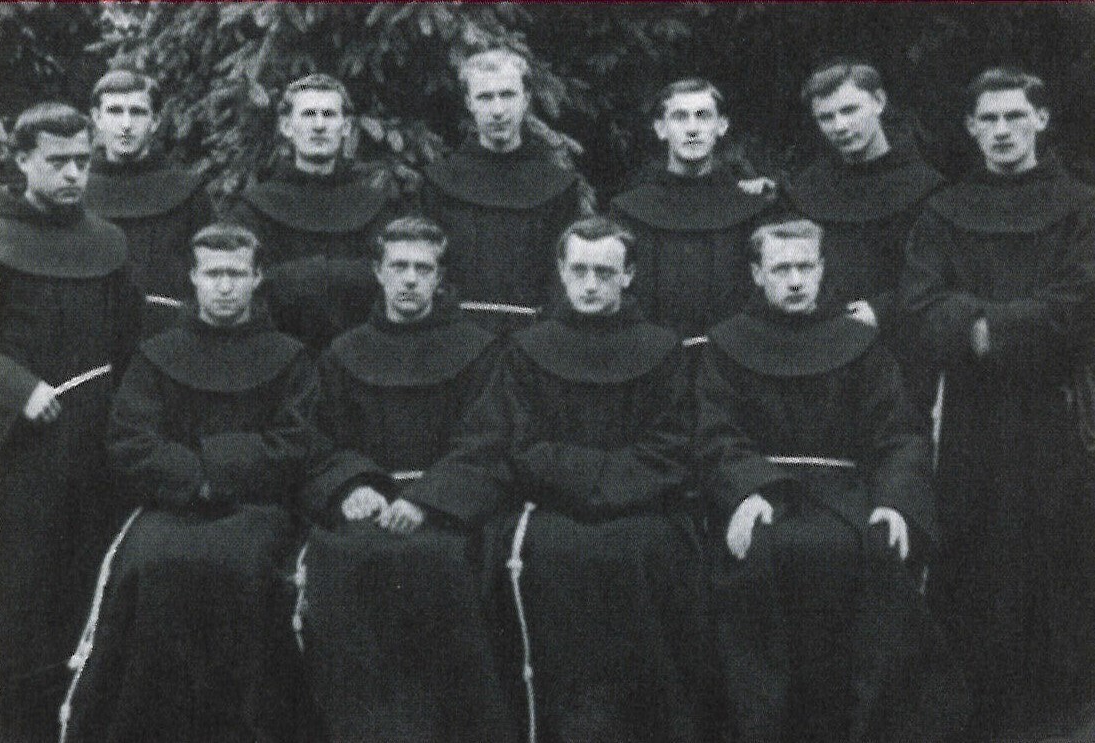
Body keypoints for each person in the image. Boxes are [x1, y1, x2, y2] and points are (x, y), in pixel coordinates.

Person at [414, 216, 717, 743]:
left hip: (642, 511)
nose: (591, 284)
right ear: (560, 271)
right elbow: (516, 441)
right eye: (579, 270)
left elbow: (672, 444)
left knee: (646, 556)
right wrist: (591, 486)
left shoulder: (663, 348)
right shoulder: (527, 348)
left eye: (605, 272)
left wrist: (601, 488)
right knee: (543, 556)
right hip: (549, 511)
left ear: (629, 276)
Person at [697, 217, 958, 743]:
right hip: (766, 498)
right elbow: (714, 433)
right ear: (757, 274)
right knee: (758, 558)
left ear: (821, 270)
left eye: (805, 267)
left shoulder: (859, 342)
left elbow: (901, 435)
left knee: (879, 553)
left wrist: (895, 502)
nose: (795, 281)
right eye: (780, 269)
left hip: (849, 499)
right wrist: (744, 492)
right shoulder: (727, 345)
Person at [60, 224, 319, 743]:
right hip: (170, 506)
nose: (225, 287)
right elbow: (131, 441)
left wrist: (214, 473)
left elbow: (297, 443)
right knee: (149, 565)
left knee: (241, 569)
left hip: (256, 509)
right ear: (194, 278)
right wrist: (196, 480)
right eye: (213, 274)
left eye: (236, 274)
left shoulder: (290, 357)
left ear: (257, 278)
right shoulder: (158, 354)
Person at [902, 67, 1095, 741]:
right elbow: (922, 302)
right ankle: (976, 709)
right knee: (973, 542)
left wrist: (989, 329)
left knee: (1058, 543)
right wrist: (977, 329)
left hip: (1056, 405)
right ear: (971, 128)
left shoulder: (1081, 206)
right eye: (989, 119)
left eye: (1015, 116)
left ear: (1041, 119)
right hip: (970, 412)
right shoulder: (944, 211)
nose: (1003, 130)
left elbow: (1081, 299)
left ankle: (1062, 710)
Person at [296, 216, 515, 742]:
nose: (411, 279)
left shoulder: (479, 350)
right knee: (343, 559)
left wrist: (426, 501)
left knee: (435, 561)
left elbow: (489, 443)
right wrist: (351, 486)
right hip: (365, 509)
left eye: (424, 268)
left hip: (447, 514)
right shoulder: (343, 353)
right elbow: (314, 440)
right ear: (378, 272)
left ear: (440, 277)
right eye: (399, 266)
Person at [0, 102, 141, 743]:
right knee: (20, 597)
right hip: (17, 452)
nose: (73, 174)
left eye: (83, 161)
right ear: (22, 160)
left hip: (93, 448)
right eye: (57, 162)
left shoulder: (107, 243)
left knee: (85, 591)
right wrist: (15, 388)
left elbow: (129, 343)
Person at [786, 61, 944, 415]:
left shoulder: (926, 188)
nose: (840, 126)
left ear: (878, 102)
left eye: (850, 110)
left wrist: (881, 310)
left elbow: (934, 277)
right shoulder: (808, 187)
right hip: (820, 344)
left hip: (897, 352)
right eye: (826, 117)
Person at [230, 73, 397, 352]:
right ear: (287, 126)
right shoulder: (254, 208)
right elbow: (242, 286)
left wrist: (306, 277)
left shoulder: (376, 205)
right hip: (275, 350)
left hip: (362, 351)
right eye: (308, 114)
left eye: (329, 115)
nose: (319, 125)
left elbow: (394, 279)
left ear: (346, 127)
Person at [421, 49, 581, 332]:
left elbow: (565, 277)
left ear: (526, 99)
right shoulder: (441, 181)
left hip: (535, 336)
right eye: (485, 97)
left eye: (507, 95)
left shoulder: (557, 185)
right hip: (455, 336)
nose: (498, 110)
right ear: (469, 103)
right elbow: (426, 268)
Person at [610, 78, 775, 341]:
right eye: (680, 117)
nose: (692, 129)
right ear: (661, 129)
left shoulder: (751, 208)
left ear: (721, 126)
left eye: (703, 116)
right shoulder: (629, 210)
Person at [86, 70, 216, 335]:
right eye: (114, 111)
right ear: (97, 118)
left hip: (170, 335)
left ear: (155, 121)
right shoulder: (76, 191)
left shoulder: (187, 192)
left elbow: (210, 271)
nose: (126, 124)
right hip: (91, 333)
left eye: (137, 112)